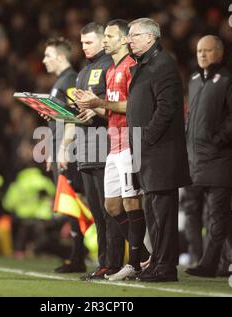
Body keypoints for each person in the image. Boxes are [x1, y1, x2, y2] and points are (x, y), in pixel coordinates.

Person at [74, 19, 149, 281]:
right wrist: (92, 108)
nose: (105, 40)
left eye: (109, 36)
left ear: (124, 40)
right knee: (111, 205)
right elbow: (109, 109)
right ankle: (144, 254)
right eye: (103, 36)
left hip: (128, 142)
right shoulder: (110, 71)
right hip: (113, 144)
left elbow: (133, 107)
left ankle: (136, 261)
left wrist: (98, 102)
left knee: (130, 201)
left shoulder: (132, 68)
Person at [125, 18, 191, 282]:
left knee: (163, 213)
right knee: (154, 213)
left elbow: (167, 108)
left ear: (150, 38)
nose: (129, 39)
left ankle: (165, 267)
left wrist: (147, 138)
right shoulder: (145, 66)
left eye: (133, 35)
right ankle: (157, 263)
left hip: (160, 152)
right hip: (148, 152)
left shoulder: (162, 64)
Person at [59, 22, 125, 280]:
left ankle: (115, 263)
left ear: (102, 41)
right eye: (82, 42)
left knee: (111, 210)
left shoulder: (111, 67)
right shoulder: (83, 72)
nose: (84, 47)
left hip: (105, 145)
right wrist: (57, 114)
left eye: (89, 42)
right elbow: (79, 113)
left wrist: (96, 109)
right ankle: (105, 263)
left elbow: (116, 107)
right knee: (98, 212)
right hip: (86, 149)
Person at [184, 35, 232, 278]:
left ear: (220, 53)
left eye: (208, 50)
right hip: (199, 160)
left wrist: (219, 140)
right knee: (220, 213)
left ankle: (209, 262)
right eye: (199, 50)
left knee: (217, 212)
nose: (202, 54)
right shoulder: (193, 80)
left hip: (223, 159)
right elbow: (192, 118)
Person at [42, 37, 87, 273]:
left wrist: (62, 148)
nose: (44, 60)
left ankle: (80, 255)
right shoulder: (61, 81)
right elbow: (59, 119)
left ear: (60, 57)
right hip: (61, 149)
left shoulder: (70, 80)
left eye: (48, 55)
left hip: (70, 151)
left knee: (76, 202)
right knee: (71, 203)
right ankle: (78, 254)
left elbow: (72, 118)